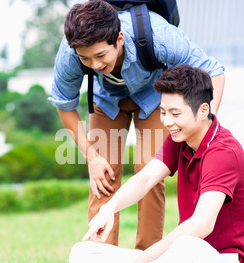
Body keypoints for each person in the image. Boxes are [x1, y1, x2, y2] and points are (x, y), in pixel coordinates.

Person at [49, 0, 226, 250]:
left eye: (100, 56)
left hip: (153, 97)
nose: (95, 65)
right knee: (104, 173)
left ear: (119, 39)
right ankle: (100, 260)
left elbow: (214, 72)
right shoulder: (70, 55)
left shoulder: (159, 35)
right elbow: (64, 104)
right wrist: (91, 157)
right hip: (107, 99)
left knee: (150, 170)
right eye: (86, 59)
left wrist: (207, 125)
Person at [69, 64, 244, 263]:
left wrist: (145, 258)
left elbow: (201, 225)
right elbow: (145, 178)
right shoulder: (180, 139)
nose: (167, 122)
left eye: (175, 114)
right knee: (81, 253)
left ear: (203, 110)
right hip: (176, 261)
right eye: (163, 112)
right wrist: (109, 209)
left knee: (185, 249)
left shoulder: (223, 151)